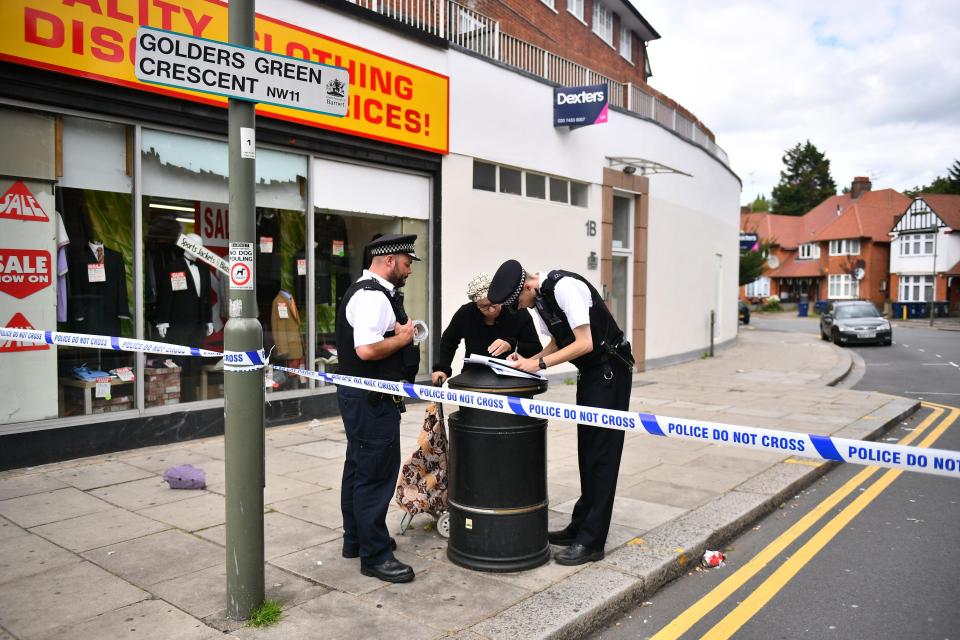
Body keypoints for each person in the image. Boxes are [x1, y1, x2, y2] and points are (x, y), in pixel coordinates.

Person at [487, 260, 634, 566]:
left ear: (527, 286)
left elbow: (585, 342)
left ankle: (592, 542)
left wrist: (539, 366)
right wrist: (527, 359)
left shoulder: (564, 287)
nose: (521, 309)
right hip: (592, 374)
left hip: (610, 372)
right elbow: (557, 342)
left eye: (519, 303)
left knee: (602, 455)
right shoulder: (539, 302)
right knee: (587, 452)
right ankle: (580, 525)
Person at [335, 233, 421, 584]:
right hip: (372, 400)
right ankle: (375, 556)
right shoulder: (372, 296)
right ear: (389, 260)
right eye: (407, 263)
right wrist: (402, 338)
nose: (409, 271)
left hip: (364, 397)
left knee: (358, 466)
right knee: (375, 473)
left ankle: (356, 540)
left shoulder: (370, 291)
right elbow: (367, 350)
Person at [431, 273, 542, 385]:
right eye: (484, 307)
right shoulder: (466, 313)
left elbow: (535, 347)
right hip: (473, 379)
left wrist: (511, 344)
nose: (492, 310)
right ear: (475, 304)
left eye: (494, 304)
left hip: (512, 380)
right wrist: (442, 368)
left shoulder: (517, 311)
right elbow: (449, 341)